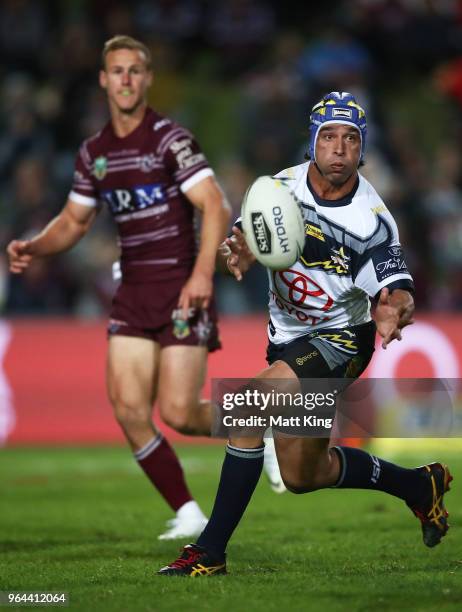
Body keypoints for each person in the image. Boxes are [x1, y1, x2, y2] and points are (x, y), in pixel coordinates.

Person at [158, 91, 453, 575]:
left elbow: (398, 289)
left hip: (341, 343)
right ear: (312, 143)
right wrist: (240, 252)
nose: (339, 148)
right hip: (288, 340)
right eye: (329, 137)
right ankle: (421, 486)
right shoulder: (277, 190)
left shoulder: (373, 223)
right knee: (304, 474)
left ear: (363, 148)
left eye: (351, 139)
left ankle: (208, 553)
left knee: (248, 406)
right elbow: (244, 239)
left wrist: (394, 310)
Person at [6, 35, 232, 540]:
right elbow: (73, 221)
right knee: (129, 409)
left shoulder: (170, 140)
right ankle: (189, 512)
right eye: (118, 71)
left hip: (180, 285)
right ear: (104, 80)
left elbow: (214, 204)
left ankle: (267, 422)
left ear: (147, 79)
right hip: (132, 291)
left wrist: (201, 273)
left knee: (179, 411)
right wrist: (34, 247)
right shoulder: (94, 153)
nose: (126, 79)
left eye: (135, 70)